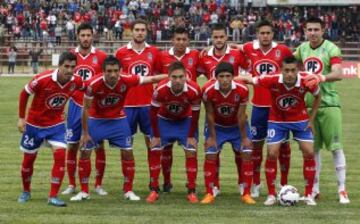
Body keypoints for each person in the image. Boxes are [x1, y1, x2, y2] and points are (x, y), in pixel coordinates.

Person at [70, 56, 167, 201]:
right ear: (103, 72)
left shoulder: (126, 79)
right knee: (85, 152)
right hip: (97, 120)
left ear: (120, 70)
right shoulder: (93, 84)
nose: (113, 74)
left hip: (118, 120)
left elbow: (151, 79)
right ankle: (84, 192)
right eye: (109, 71)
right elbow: (86, 109)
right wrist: (85, 133)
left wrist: (170, 76)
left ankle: (128, 190)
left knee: (128, 152)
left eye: (116, 71)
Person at [241, 56, 321, 206]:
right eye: (286, 71)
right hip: (277, 121)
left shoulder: (307, 80)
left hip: (300, 120)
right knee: (271, 153)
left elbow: (318, 96)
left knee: (309, 152)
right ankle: (271, 194)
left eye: (293, 71)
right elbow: (249, 79)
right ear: (280, 70)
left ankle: (309, 194)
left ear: (298, 70)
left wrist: (311, 119)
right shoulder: (271, 79)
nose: (290, 74)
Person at [294, 17, 350, 204]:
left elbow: (338, 73)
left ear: (323, 30)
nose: (313, 33)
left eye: (316, 29)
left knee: (335, 147)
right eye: (309, 29)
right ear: (305, 30)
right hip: (309, 107)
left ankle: (342, 190)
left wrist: (320, 78)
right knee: (313, 151)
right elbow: (286, 60)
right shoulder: (302, 48)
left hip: (329, 105)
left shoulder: (332, 48)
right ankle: (314, 190)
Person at [17, 52, 83, 207]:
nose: (69, 70)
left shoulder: (76, 81)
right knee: (28, 161)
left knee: (60, 156)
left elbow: (87, 90)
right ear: (59, 66)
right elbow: (24, 93)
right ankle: (26, 191)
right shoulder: (42, 79)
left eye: (72, 67)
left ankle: (53, 196)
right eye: (66, 66)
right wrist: (21, 118)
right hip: (34, 125)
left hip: (56, 126)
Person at [239, 20, 294, 197]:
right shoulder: (249, 48)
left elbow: (293, 68)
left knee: (283, 147)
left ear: (273, 34)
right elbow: (235, 48)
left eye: (268, 33)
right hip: (259, 108)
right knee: (257, 146)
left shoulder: (283, 50)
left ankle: (283, 184)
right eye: (262, 33)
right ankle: (256, 183)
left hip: (279, 108)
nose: (265, 36)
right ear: (257, 34)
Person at [198, 23, 248, 196]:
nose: (219, 40)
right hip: (215, 107)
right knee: (213, 152)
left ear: (227, 37)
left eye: (221, 37)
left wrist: (240, 79)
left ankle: (244, 184)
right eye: (215, 37)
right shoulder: (203, 56)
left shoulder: (236, 53)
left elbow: (251, 70)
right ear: (212, 38)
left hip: (234, 106)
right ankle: (215, 185)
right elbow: (192, 74)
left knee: (241, 152)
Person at [62, 23, 108, 196]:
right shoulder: (70, 56)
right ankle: (72, 184)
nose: (86, 38)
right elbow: (63, 83)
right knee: (72, 146)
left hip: (94, 108)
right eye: (83, 35)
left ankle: (98, 184)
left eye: (89, 35)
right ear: (77, 36)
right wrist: (61, 106)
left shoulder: (101, 56)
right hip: (75, 105)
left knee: (98, 145)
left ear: (93, 36)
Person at [146, 61, 201, 203]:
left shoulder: (194, 90)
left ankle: (191, 190)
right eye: (174, 77)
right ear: (169, 77)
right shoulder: (161, 89)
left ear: (186, 76)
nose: (178, 80)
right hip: (164, 120)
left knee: (191, 150)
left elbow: (196, 114)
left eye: (181, 77)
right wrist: (156, 136)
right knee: (155, 149)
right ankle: (154, 188)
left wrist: (190, 136)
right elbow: (152, 113)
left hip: (185, 120)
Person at [200, 62, 255, 205]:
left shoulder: (242, 89)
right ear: (216, 77)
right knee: (211, 153)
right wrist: (212, 137)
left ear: (233, 77)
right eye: (221, 76)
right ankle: (210, 192)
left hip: (237, 126)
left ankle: (246, 192)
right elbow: (209, 114)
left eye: (228, 76)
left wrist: (244, 138)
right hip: (217, 127)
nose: (225, 79)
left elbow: (241, 115)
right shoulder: (208, 90)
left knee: (247, 152)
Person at [156, 26, 200, 192]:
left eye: (184, 39)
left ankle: (191, 187)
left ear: (188, 41)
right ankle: (166, 183)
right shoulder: (162, 56)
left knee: (190, 150)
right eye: (177, 39)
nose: (181, 42)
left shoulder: (196, 55)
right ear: (172, 40)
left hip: (187, 114)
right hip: (165, 112)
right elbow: (156, 77)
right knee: (165, 150)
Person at [115, 19, 160, 172]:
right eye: (137, 30)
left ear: (146, 32)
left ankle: (153, 182)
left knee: (152, 143)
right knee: (126, 145)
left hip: (148, 105)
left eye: (143, 30)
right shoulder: (121, 52)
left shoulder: (154, 52)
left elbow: (160, 75)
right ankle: (128, 182)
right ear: (131, 31)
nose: (140, 32)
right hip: (127, 105)